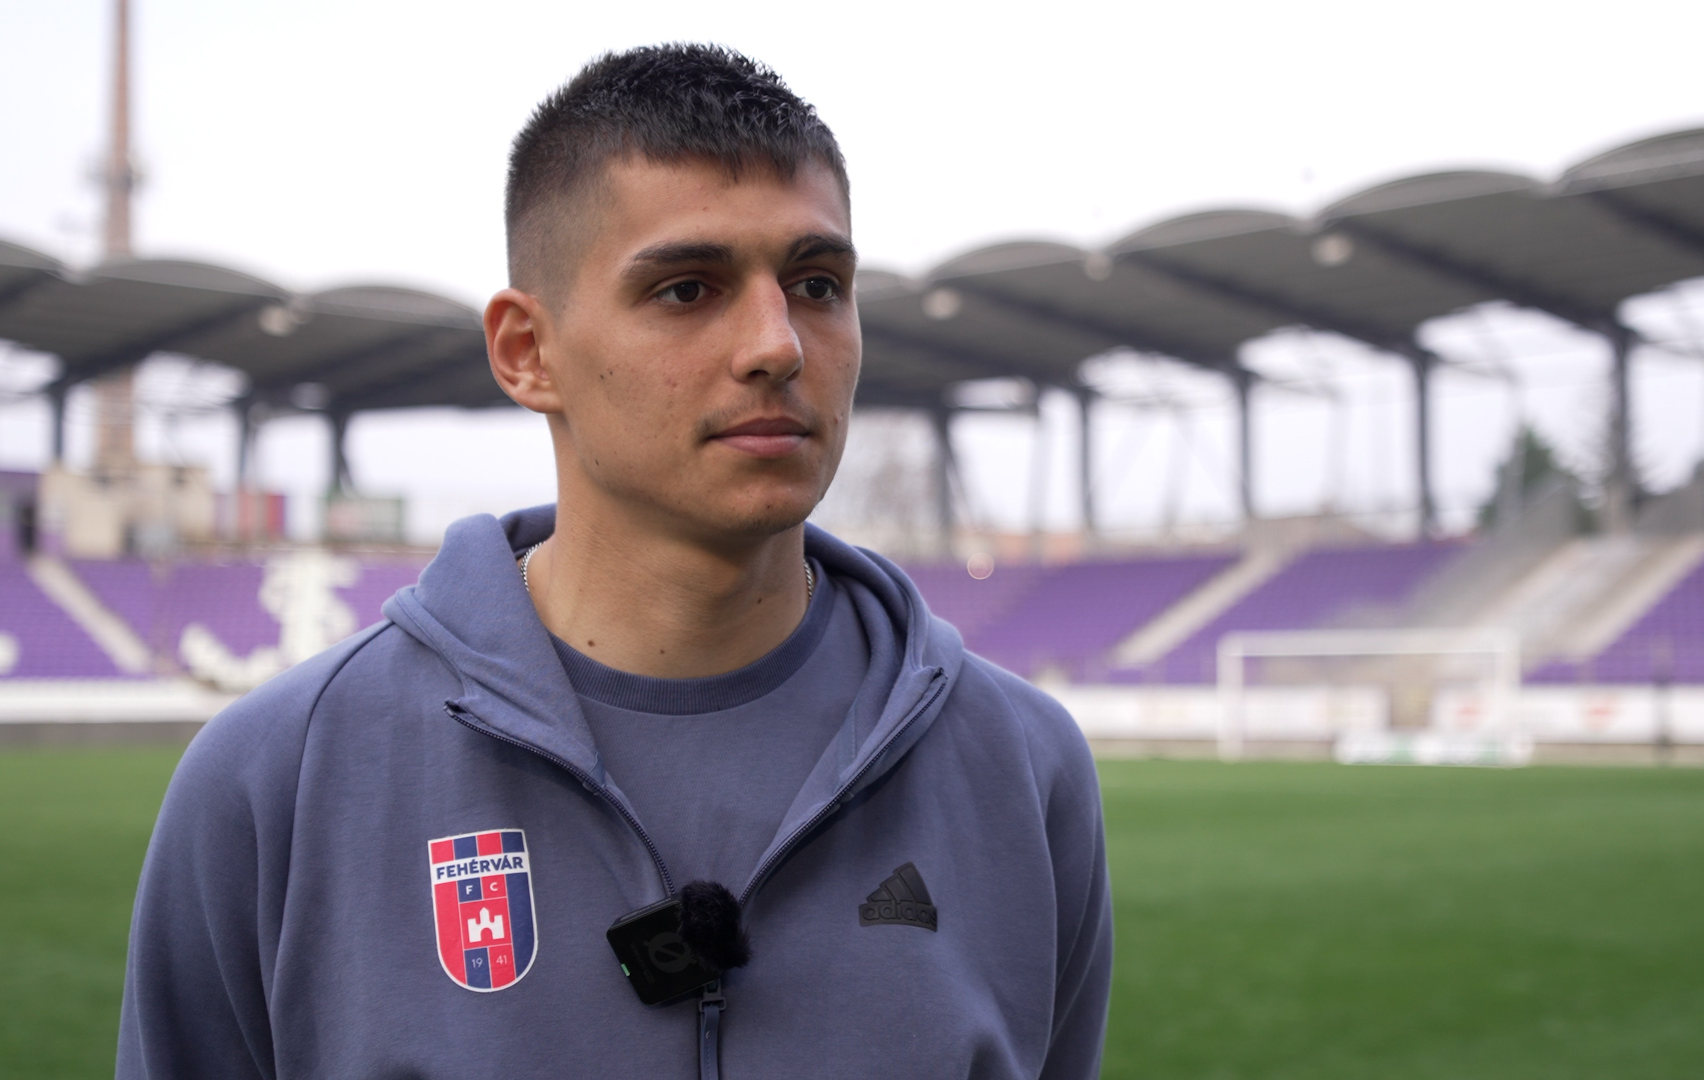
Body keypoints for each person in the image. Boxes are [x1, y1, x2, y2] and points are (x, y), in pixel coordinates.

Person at [115, 44, 1112, 1080]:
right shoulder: (277, 780)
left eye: (817, 284)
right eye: (687, 290)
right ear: (526, 352)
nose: (778, 344)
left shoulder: (1021, 766)